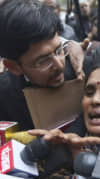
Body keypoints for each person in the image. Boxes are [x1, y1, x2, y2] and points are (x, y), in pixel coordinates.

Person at [0, 0, 85, 130]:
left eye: (59, 50)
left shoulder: (79, 68)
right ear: (13, 67)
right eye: (42, 61)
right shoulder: (5, 97)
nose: (59, 65)